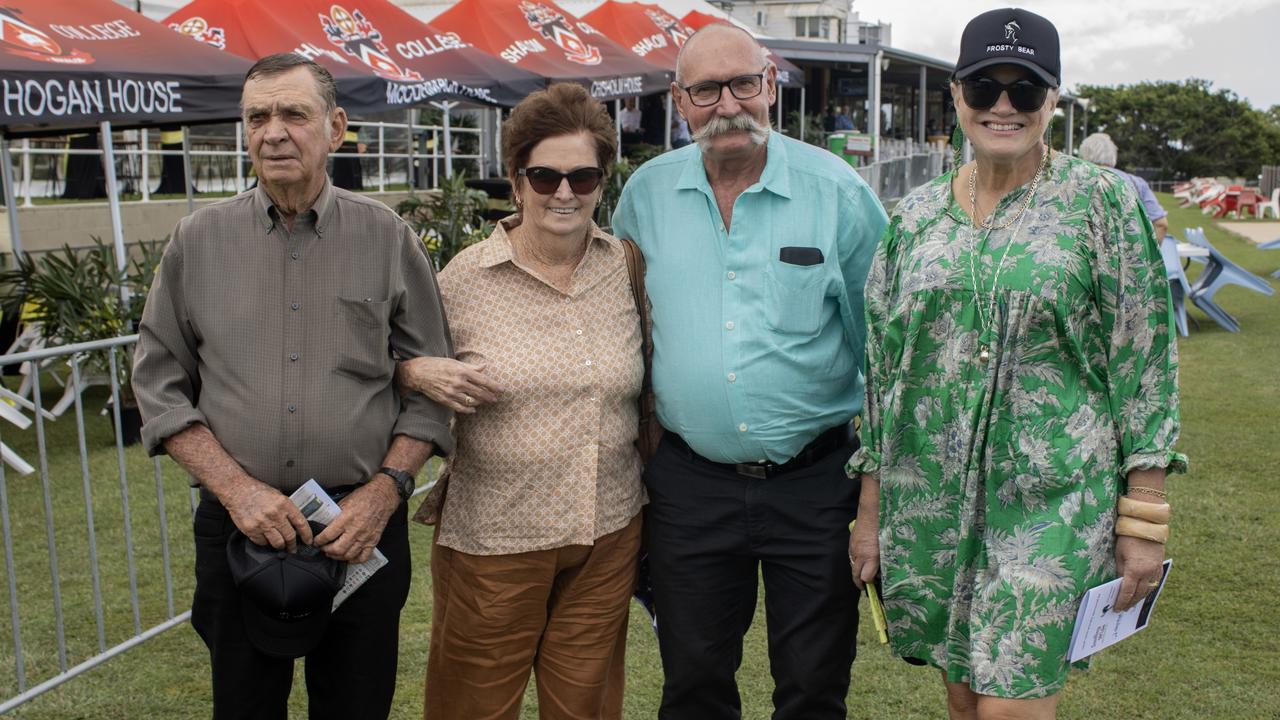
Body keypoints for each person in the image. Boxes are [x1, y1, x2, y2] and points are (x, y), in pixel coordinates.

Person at [847, 9, 1186, 719]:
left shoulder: (1102, 205)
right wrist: (870, 515)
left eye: (1025, 90)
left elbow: (1144, 360)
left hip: (1052, 500)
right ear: (957, 96)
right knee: (966, 699)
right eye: (985, 88)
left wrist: (1145, 518)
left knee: (1010, 706)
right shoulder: (912, 220)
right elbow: (881, 375)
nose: (1004, 106)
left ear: (1052, 101)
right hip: (930, 498)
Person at [132, 53, 453, 719]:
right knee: (244, 706)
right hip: (239, 524)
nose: (273, 131)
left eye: (293, 114)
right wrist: (236, 488)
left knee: (356, 704)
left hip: (360, 524)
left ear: (336, 128)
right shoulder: (198, 242)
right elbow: (158, 384)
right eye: (257, 117)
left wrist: (385, 492)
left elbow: (430, 386)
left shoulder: (388, 238)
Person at [612, 23, 887, 720]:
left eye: (742, 84)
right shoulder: (644, 196)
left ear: (770, 85)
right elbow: (622, 331)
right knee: (694, 682)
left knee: (813, 686)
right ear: (679, 100)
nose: (726, 105)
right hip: (690, 486)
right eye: (705, 89)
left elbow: (887, 354)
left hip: (818, 484)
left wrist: (874, 503)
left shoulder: (838, 194)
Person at [398, 82, 644, 720]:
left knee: (585, 707)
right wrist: (413, 371)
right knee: (473, 707)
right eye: (545, 176)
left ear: (602, 183)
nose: (564, 192)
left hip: (608, 531)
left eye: (583, 176)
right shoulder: (463, 279)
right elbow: (386, 363)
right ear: (515, 182)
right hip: (496, 538)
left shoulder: (626, 267)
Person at [1079, 132, 1168, 241]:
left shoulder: (1076, 182)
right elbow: (1161, 224)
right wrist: (1148, 256)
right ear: (1113, 155)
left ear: (1084, 156)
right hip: (1132, 255)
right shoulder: (1137, 183)